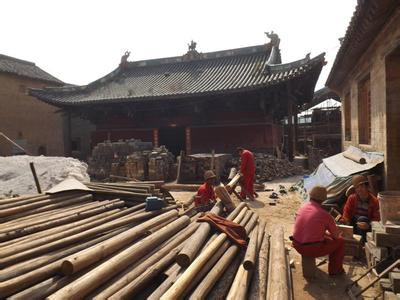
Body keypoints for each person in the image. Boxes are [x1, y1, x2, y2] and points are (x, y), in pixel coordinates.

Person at [291, 186, 345, 276]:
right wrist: (337, 233)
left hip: (297, 244)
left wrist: (326, 233)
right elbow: (336, 236)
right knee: (340, 241)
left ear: (310, 196)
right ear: (323, 200)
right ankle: (336, 271)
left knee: (326, 236)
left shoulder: (302, 208)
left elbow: (308, 228)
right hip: (310, 248)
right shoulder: (324, 215)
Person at [341, 175, 380, 243]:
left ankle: (361, 243)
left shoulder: (374, 201)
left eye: (361, 186)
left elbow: (377, 218)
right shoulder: (352, 198)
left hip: (366, 226)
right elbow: (346, 212)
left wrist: (369, 225)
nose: (359, 189)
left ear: (366, 187)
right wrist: (346, 222)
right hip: (354, 223)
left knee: (362, 219)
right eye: (357, 187)